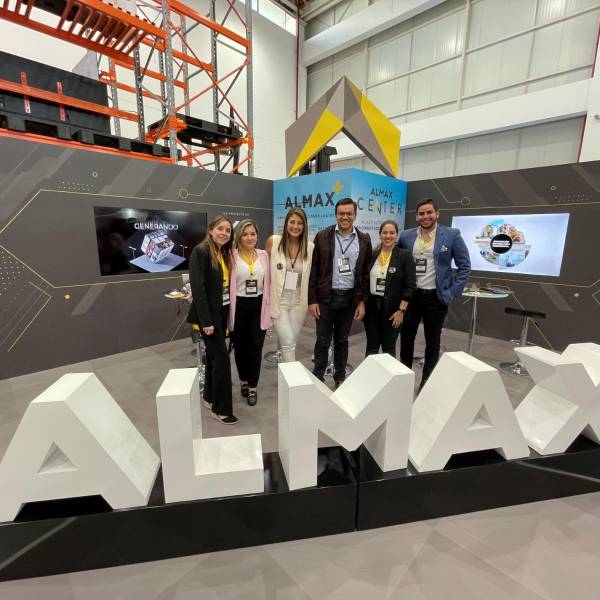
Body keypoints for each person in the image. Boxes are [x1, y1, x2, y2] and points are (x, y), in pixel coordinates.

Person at [398, 198, 471, 389]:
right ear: (417, 216)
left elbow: (465, 266)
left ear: (437, 214)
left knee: (433, 341)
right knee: (406, 339)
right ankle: (404, 380)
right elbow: (397, 263)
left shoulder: (452, 235)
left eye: (429, 212)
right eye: (421, 213)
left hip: (436, 298)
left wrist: (452, 292)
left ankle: (426, 383)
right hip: (411, 297)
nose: (425, 216)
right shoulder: (406, 236)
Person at [308, 197, 372, 387]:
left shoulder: (364, 239)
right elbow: (314, 270)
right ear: (335, 215)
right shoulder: (322, 236)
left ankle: (340, 376)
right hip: (325, 299)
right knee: (322, 340)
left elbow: (365, 274)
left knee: (342, 340)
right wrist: (312, 300)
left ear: (355, 215)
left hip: (349, 299)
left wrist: (362, 301)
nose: (345, 217)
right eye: (341, 213)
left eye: (349, 213)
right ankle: (318, 376)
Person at [188, 215, 237, 424]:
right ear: (210, 230)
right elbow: (198, 289)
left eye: (228, 230)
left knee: (213, 358)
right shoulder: (201, 251)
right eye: (220, 229)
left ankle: (209, 397)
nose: (224, 233)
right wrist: (207, 322)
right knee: (222, 360)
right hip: (208, 317)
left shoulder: (223, 252)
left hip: (221, 312)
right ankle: (221, 409)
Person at [228, 219, 271, 406]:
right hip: (238, 306)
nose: (249, 237)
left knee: (255, 347)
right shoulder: (231, 256)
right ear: (239, 236)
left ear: (257, 236)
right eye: (245, 234)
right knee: (240, 348)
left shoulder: (264, 255)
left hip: (258, 306)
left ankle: (253, 386)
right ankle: (243, 380)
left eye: (252, 234)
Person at [266, 208, 314, 362]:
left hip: (299, 301)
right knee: (287, 341)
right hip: (279, 299)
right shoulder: (274, 242)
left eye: (300, 223)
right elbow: (264, 269)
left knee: (292, 340)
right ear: (286, 223)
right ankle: (292, 375)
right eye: (292, 222)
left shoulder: (310, 247)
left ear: (304, 226)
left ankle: (286, 374)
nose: (295, 226)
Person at [364, 220, 416, 357]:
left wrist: (401, 311)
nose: (388, 236)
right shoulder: (373, 255)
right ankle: (369, 371)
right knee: (371, 347)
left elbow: (410, 286)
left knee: (388, 348)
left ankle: (389, 372)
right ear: (380, 235)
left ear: (396, 235)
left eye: (392, 233)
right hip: (372, 308)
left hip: (394, 309)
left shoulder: (405, 256)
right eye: (385, 233)